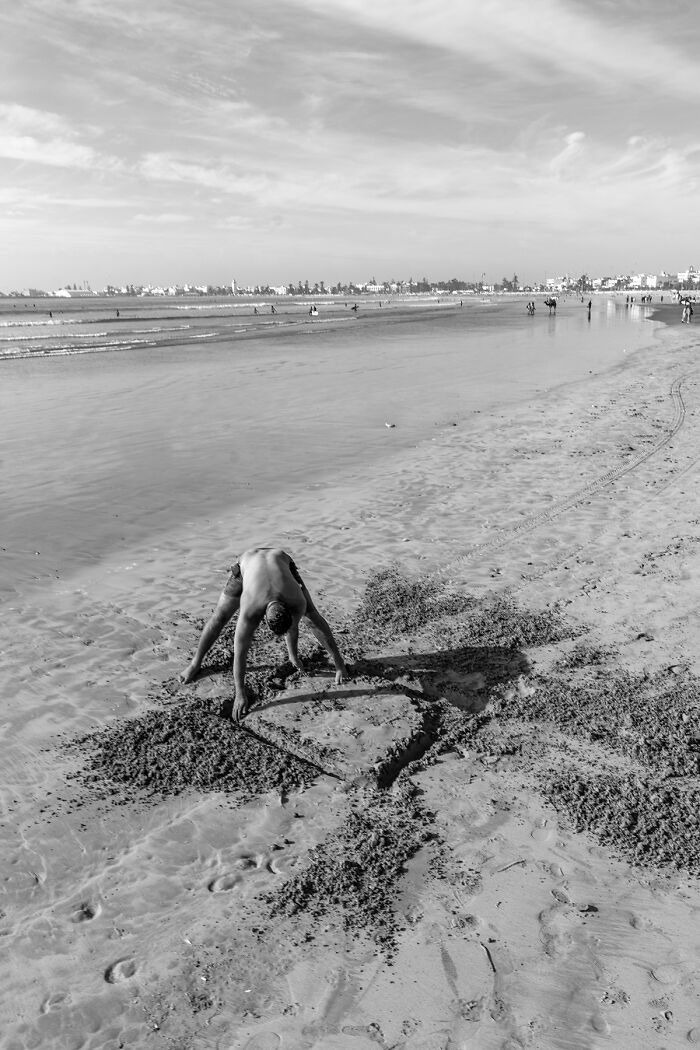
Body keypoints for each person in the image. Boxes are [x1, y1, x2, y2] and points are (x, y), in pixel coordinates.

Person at [180, 547, 350, 720]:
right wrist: (240, 693)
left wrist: (338, 664)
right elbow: (240, 652)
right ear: (263, 620)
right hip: (246, 564)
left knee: (311, 617)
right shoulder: (250, 610)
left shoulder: (297, 601)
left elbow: (314, 624)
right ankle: (195, 663)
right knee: (220, 617)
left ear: (290, 611)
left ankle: (298, 657)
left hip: (281, 560)